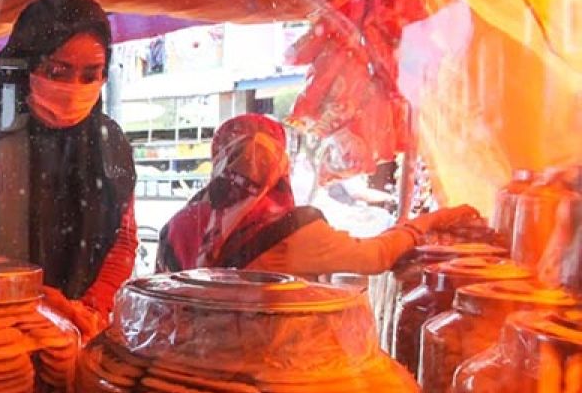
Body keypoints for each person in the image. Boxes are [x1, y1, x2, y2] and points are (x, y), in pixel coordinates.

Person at [0, 0, 137, 338]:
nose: (74, 88)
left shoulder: (111, 142)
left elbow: (124, 241)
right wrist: (25, 299)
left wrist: (87, 310)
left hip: (81, 328)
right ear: (25, 65)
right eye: (57, 71)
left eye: (90, 75)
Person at [155, 114, 479, 276]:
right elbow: (375, 256)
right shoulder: (294, 230)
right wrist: (427, 222)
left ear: (218, 157)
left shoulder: (176, 226)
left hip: (179, 380)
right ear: (281, 161)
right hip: (268, 385)